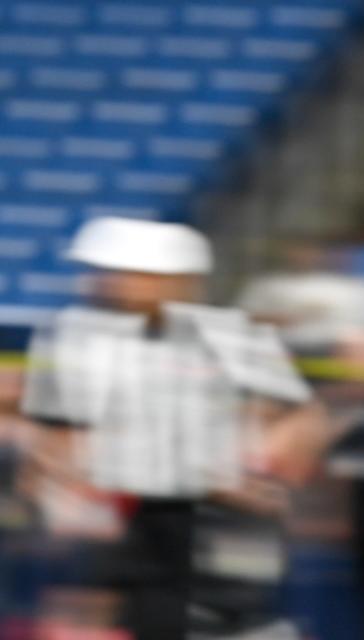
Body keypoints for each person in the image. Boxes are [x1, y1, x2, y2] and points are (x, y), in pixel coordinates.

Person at [17, 217, 321, 640]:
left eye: (128, 274)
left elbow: (300, 417)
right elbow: (58, 427)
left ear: (174, 280)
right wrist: (53, 479)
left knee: (228, 619)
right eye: (108, 272)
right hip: (119, 513)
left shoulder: (233, 336)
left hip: (217, 514)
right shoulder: (71, 333)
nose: (109, 283)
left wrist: (264, 468)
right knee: (120, 616)